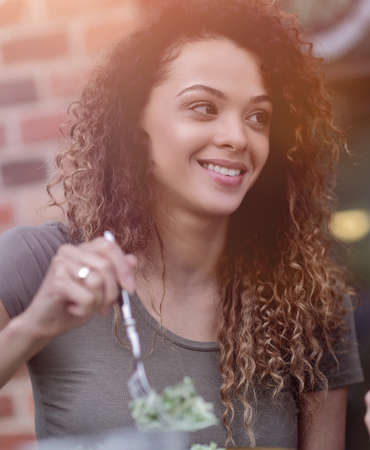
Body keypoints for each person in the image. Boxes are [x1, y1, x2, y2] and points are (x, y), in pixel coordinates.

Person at [0, 0, 364, 448]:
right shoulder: (39, 265)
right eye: (203, 108)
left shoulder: (309, 306)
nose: (236, 136)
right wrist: (34, 326)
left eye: (257, 117)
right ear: (136, 124)